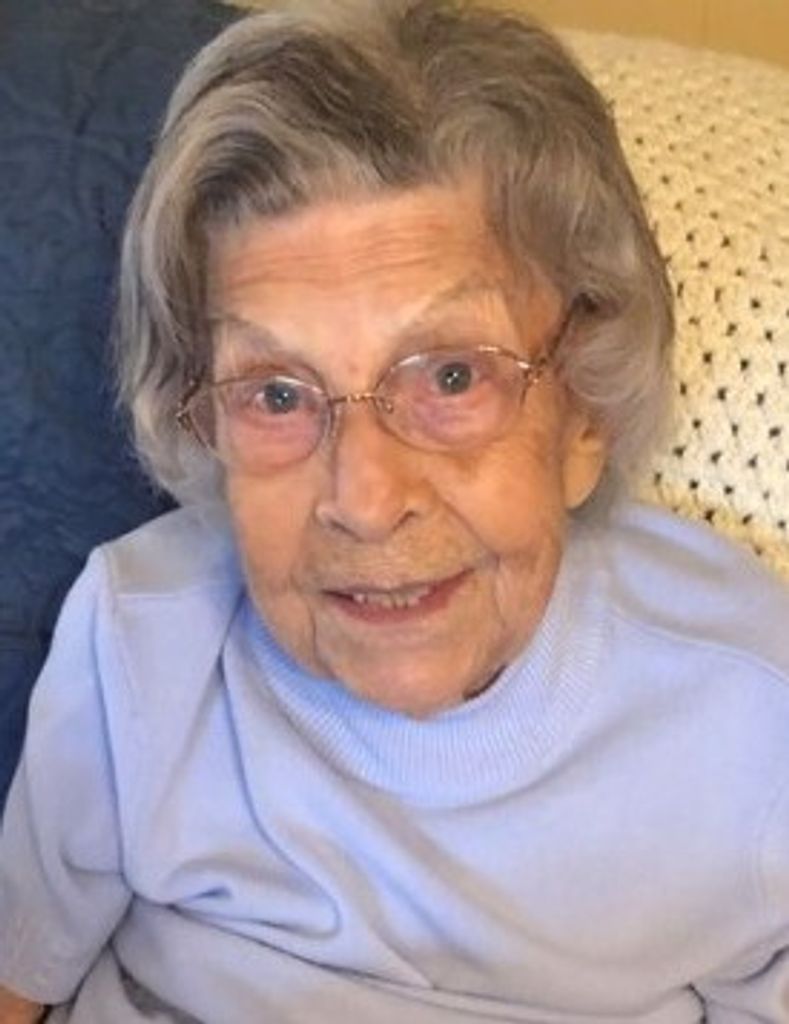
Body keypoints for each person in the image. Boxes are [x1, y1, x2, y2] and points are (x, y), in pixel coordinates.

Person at [1, 0, 788, 1020]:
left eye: (452, 375)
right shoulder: (137, 638)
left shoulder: (750, 712)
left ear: (585, 409)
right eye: (276, 393)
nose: (366, 501)